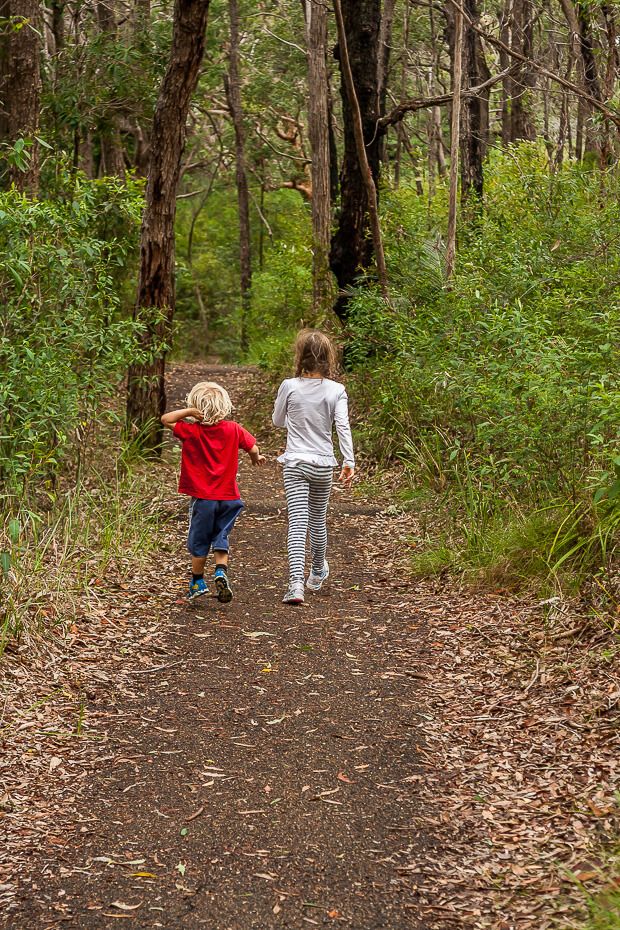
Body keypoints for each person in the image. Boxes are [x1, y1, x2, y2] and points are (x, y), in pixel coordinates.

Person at [162, 381, 265, 602]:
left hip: (203, 499)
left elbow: (166, 419)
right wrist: (256, 457)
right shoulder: (234, 429)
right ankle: (220, 571)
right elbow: (253, 448)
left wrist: (189, 412)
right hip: (230, 499)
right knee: (221, 536)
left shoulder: (191, 431)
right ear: (224, 406)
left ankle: (197, 581)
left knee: (200, 541)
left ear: (197, 407)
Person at [272, 329, 355, 605]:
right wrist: (348, 460)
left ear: (301, 356)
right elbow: (342, 426)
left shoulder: (289, 386)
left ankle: (296, 585)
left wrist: (298, 419)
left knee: (297, 522)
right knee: (317, 520)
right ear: (327, 359)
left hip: (295, 462)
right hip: (322, 465)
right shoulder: (336, 390)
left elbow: (277, 420)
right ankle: (318, 569)